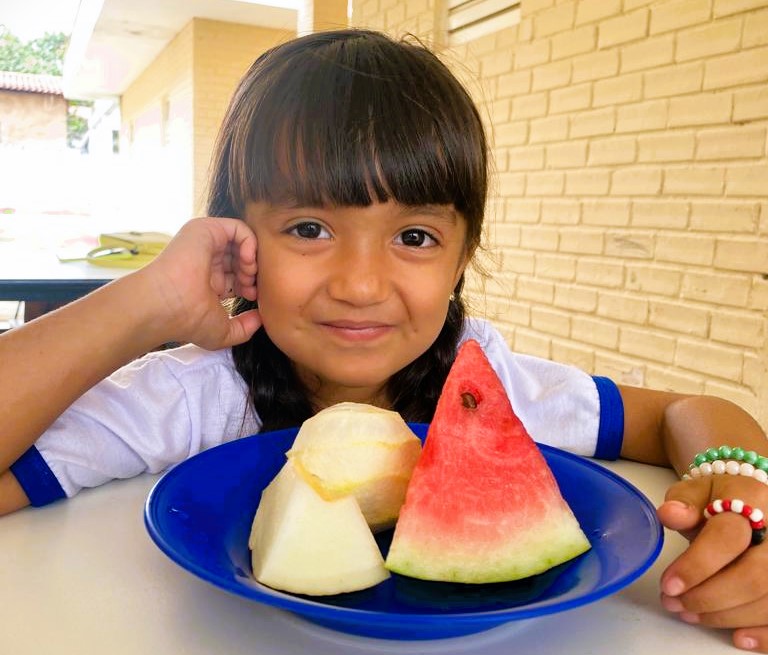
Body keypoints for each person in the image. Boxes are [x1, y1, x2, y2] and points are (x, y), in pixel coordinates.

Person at [0, 28, 766, 652]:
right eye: (309, 227)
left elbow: (687, 410)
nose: (360, 284)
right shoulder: (193, 395)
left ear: (463, 257)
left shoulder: (485, 382)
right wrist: (146, 302)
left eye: (414, 235)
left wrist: (744, 492)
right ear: (238, 241)